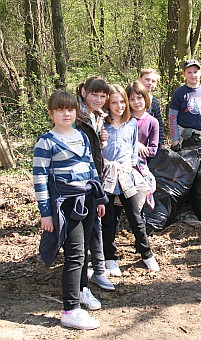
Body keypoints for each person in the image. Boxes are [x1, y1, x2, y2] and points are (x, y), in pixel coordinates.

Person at [34, 90, 107, 330]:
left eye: (70, 109)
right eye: (60, 110)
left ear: (76, 112)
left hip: (87, 199)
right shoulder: (46, 142)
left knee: (84, 249)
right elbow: (40, 180)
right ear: (51, 113)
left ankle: (83, 289)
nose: (66, 114)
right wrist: (46, 213)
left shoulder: (82, 136)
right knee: (74, 254)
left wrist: (98, 199)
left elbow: (91, 169)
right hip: (65, 205)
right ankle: (70, 309)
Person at [101, 85, 160, 277]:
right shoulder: (102, 126)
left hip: (127, 176)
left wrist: (134, 169)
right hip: (109, 177)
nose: (119, 106)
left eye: (122, 102)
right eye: (114, 102)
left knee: (136, 217)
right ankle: (110, 258)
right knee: (110, 220)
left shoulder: (131, 123)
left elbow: (134, 150)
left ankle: (146, 253)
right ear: (108, 105)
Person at [75, 77, 114, 291]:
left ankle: (98, 271)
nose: (98, 99)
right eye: (94, 95)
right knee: (82, 233)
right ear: (83, 91)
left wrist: (102, 140)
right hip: (78, 182)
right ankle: (81, 282)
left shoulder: (97, 117)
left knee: (96, 226)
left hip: (95, 179)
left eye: (102, 96)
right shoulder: (75, 117)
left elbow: (95, 150)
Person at [168, 59, 201, 151]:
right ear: (184, 74)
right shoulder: (179, 93)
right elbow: (172, 116)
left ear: (200, 73)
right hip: (184, 136)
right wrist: (175, 139)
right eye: (189, 72)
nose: (193, 75)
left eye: (195, 72)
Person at [138, 68, 165, 148]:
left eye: (153, 81)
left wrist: (161, 142)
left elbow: (159, 122)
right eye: (147, 79)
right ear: (139, 79)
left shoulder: (154, 101)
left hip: (148, 142)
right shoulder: (130, 97)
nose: (149, 83)